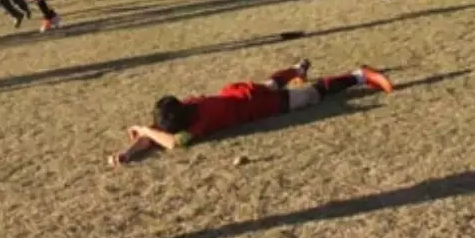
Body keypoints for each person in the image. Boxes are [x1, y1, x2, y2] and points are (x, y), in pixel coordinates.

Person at [109, 59, 393, 166]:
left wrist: (145, 131)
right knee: (270, 84)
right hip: (239, 92)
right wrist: (128, 152)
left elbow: (169, 142)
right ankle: (296, 69)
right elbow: (155, 132)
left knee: (313, 94)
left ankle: (359, 75)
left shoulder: (199, 123)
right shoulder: (187, 106)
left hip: (263, 106)